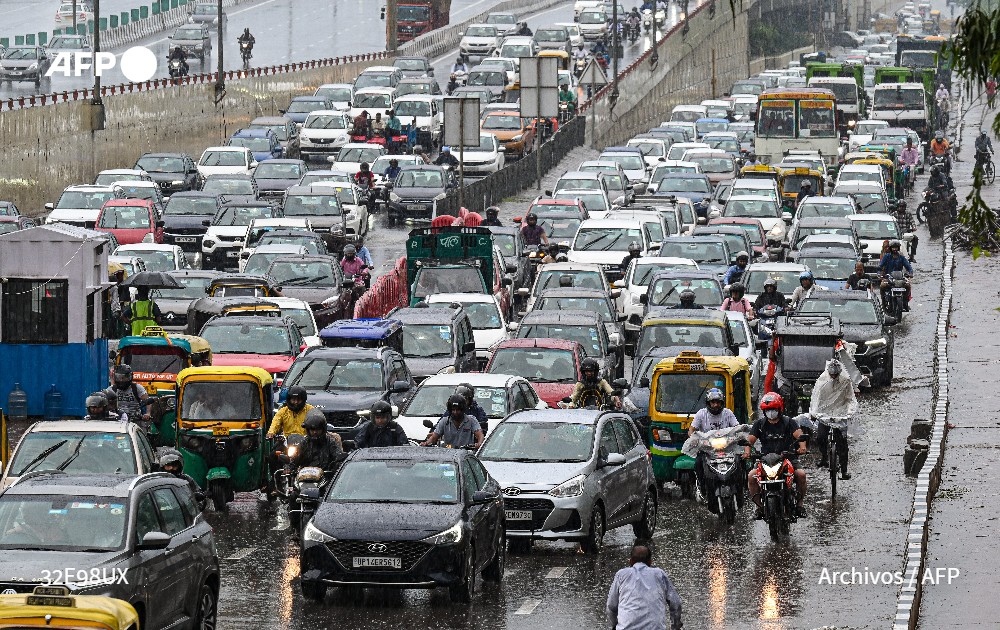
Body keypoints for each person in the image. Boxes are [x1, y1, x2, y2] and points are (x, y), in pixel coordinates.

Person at [745, 392, 808, 518]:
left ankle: (800, 505)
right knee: (751, 476)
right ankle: (759, 507)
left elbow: (799, 436)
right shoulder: (759, 424)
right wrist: (747, 452)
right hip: (765, 460)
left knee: (801, 475)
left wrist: (802, 447)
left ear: (779, 409)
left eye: (773, 409)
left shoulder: (789, 422)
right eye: (768, 410)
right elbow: (749, 441)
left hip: (787, 458)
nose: (771, 412)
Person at [606, 545, 683, 630]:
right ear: (650, 562)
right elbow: (676, 603)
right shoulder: (659, 574)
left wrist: (614, 625)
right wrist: (675, 626)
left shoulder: (621, 575)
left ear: (630, 561)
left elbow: (611, 606)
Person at [809, 359, 858, 479]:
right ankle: (824, 457)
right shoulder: (822, 381)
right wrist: (814, 413)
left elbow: (850, 398)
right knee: (821, 437)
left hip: (840, 414)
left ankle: (844, 470)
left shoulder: (845, 381)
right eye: (832, 375)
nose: (834, 377)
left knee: (842, 443)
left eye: (836, 375)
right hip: (824, 414)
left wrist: (851, 412)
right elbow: (816, 398)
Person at [689, 387, 740, 499]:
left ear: (722, 402)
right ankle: (702, 487)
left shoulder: (728, 413)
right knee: (698, 464)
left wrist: (738, 436)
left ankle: (740, 488)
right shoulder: (701, 414)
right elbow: (691, 430)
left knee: (741, 461)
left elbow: (737, 428)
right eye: (713, 402)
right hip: (707, 448)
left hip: (726, 448)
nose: (715, 405)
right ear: (708, 403)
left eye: (718, 402)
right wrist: (694, 440)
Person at [107, 363, 150, 432]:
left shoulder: (137, 388)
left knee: (143, 433)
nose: (121, 380)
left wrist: (148, 413)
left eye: (124, 378)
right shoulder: (111, 389)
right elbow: (105, 401)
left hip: (135, 420)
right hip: (117, 419)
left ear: (130, 377)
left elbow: (148, 400)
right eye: (119, 377)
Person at [877, 240, 913, 310]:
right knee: (882, 286)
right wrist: (879, 273)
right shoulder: (886, 257)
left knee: (908, 286)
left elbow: (909, 267)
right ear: (890, 248)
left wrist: (910, 273)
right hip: (888, 278)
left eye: (896, 247)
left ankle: (905, 302)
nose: (894, 249)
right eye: (893, 247)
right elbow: (880, 266)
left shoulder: (902, 258)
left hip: (899, 278)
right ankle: (883, 304)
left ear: (898, 248)